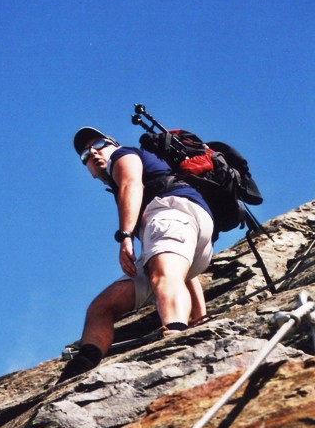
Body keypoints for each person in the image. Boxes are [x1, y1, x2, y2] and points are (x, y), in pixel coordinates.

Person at [58, 126, 214, 382]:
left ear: (114, 144)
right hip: (189, 236)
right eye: (85, 155)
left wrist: (126, 236)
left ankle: (175, 338)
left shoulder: (124, 155)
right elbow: (182, 272)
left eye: (99, 144)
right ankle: (80, 369)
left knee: (163, 274)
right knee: (101, 307)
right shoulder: (128, 188)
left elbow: (131, 183)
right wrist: (200, 316)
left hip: (173, 211)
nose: (93, 153)